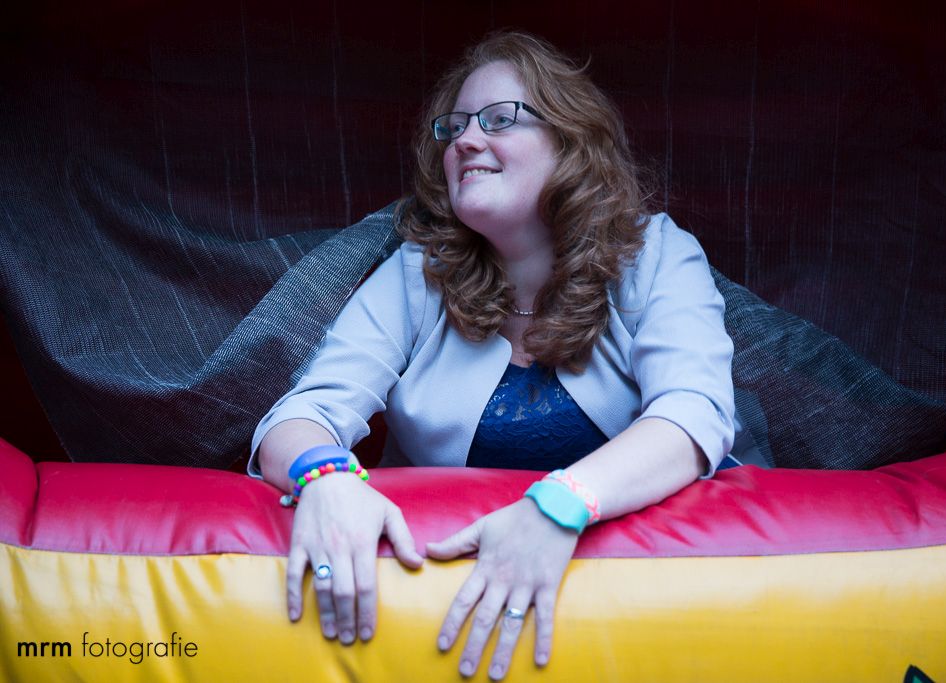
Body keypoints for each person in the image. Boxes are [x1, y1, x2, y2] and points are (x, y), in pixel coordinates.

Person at [250, 30, 735, 681]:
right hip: (434, 620)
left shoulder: (656, 255)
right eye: (454, 127)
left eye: (500, 119)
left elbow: (694, 415)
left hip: (646, 614)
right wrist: (325, 477)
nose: (465, 141)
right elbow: (302, 414)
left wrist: (558, 506)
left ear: (570, 141)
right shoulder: (416, 275)